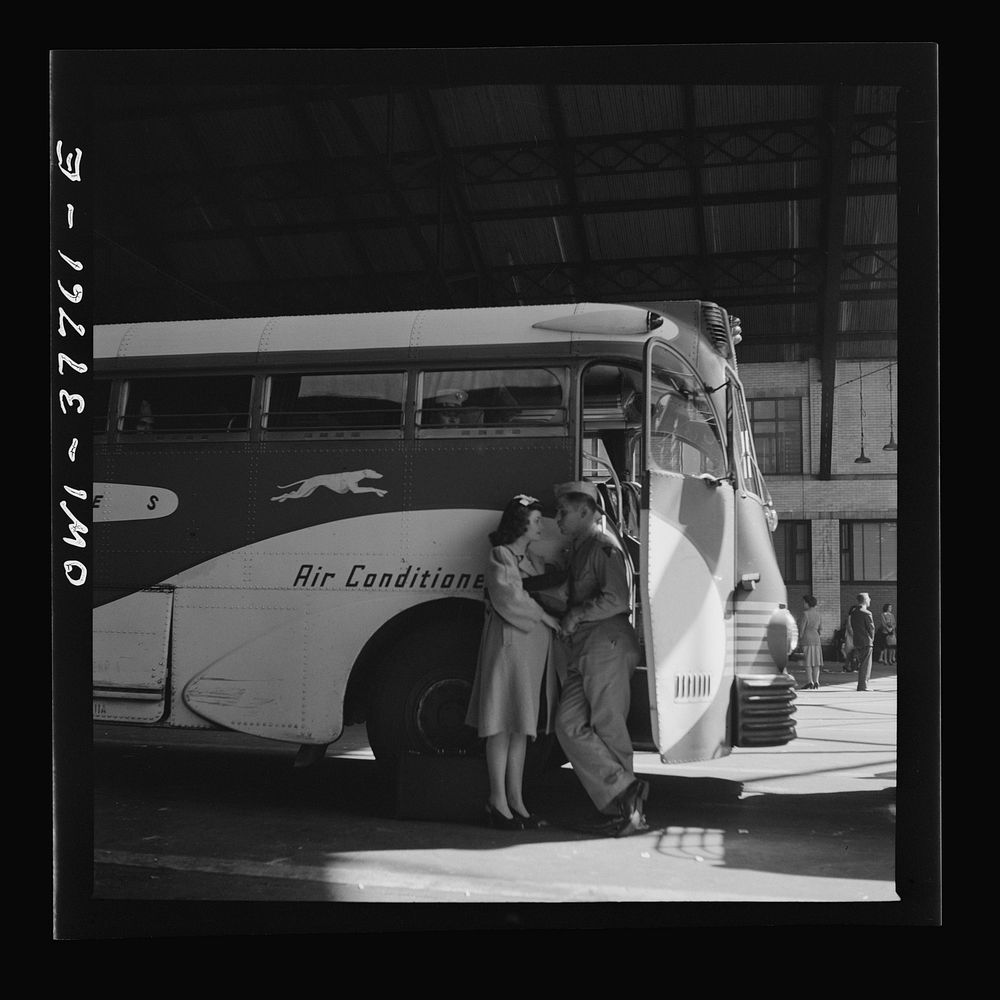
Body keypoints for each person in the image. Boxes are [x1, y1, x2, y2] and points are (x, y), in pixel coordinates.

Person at [552, 481, 648, 837]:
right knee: (568, 725)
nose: (557, 518)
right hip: (586, 649)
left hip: (606, 644)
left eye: (563, 511)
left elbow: (617, 599)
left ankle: (625, 813)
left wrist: (577, 614)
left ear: (585, 512)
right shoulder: (580, 548)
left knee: (609, 726)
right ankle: (623, 790)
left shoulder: (604, 547)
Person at [464, 494, 562, 830]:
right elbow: (509, 596)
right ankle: (498, 800)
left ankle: (516, 801)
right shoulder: (500, 555)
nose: (540, 526)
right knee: (500, 725)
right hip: (508, 649)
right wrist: (545, 618)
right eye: (535, 521)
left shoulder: (532, 559)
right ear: (520, 524)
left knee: (520, 727)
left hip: (528, 653)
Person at [849, 593, 876, 692]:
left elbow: (852, 626)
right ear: (865, 600)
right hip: (866, 641)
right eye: (869, 598)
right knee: (866, 664)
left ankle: (862, 684)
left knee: (861, 664)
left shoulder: (854, 612)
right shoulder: (867, 613)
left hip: (857, 640)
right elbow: (871, 629)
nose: (870, 600)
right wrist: (871, 639)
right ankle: (863, 686)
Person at [798, 594, 824, 689]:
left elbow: (801, 629)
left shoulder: (805, 614)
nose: (803, 604)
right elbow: (820, 629)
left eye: (804, 602)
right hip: (816, 639)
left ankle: (810, 682)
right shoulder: (818, 614)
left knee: (808, 662)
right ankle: (816, 681)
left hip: (806, 638)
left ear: (808, 603)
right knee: (816, 662)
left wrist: (799, 639)